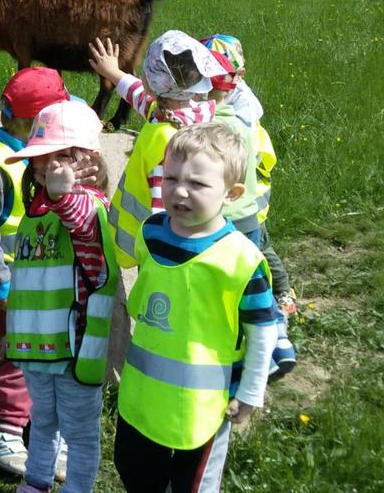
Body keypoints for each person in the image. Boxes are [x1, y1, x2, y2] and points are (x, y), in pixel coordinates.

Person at [112, 122, 280, 493]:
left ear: (231, 193)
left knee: (194, 485)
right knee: (132, 469)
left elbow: (263, 329)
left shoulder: (240, 259)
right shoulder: (151, 233)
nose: (180, 191)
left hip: (203, 408)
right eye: (171, 178)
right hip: (141, 399)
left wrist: (251, 393)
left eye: (198, 184)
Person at [3, 100, 117, 493]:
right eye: (37, 160)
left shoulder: (86, 204)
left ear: (81, 158)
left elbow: (81, 222)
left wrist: (60, 194)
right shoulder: (38, 209)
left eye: (49, 158)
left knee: (80, 433)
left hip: (73, 348)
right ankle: (36, 483)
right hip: (38, 347)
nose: (39, 167)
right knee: (44, 421)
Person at [0, 67, 72, 476]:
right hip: (11, 284)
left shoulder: (40, 158)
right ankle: (4, 428)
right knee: (17, 356)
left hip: (43, 283)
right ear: (29, 122)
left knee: (48, 356)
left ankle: (43, 429)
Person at [88, 31, 226, 258]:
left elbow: (165, 207)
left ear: (152, 82)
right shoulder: (191, 115)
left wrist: (158, 258)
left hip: (155, 246)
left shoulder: (167, 142)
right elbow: (139, 96)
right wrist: (112, 71)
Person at [201, 34, 295, 315]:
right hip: (239, 191)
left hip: (251, 192)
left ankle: (281, 292)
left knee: (259, 248)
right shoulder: (230, 94)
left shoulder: (240, 113)